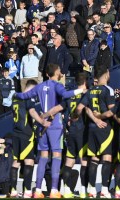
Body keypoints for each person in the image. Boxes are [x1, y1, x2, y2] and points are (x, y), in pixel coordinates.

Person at [14, 63, 85, 198]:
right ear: (57, 72)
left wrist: (14, 94)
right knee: (57, 155)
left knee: (43, 157)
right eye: (59, 70)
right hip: (55, 124)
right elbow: (66, 94)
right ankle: (53, 189)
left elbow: (24, 96)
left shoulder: (40, 86)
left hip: (42, 124)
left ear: (46, 74)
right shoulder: (58, 85)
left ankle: (38, 190)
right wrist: (80, 90)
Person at [40, 72, 89, 198]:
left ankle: (67, 190)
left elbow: (56, 109)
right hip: (82, 132)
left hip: (70, 132)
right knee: (84, 162)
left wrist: (43, 116)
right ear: (85, 82)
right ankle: (83, 190)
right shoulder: (86, 95)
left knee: (69, 162)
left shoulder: (68, 96)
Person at [75, 67, 115, 198]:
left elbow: (80, 108)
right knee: (107, 157)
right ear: (107, 74)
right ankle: (104, 189)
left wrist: (75, 118)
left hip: (91, 128)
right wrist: (100, 118)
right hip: (104, 127)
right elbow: (111, 112)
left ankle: (91, 189)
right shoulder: (108, 89)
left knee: (93, 159)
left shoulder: (90, 90)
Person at [10, 80, 51, 198]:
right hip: (26, 133)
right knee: (29, 161)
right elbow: (32, 111)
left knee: (16, 161)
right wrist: (42, 121)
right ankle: (27, 190)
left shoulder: (15, 97)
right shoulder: (29, 98)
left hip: (16, 132)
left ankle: (13, 190)